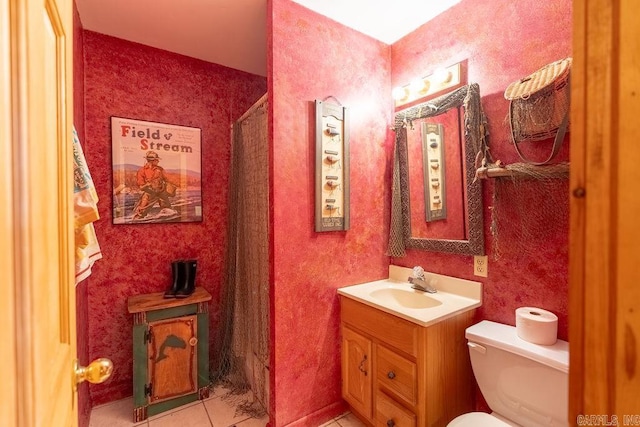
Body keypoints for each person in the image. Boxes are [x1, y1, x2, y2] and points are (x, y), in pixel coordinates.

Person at [133, 151, 177, 219]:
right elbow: (141, 187)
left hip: (162, 192)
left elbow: (167, 179)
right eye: (157, 160)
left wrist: (174, 184)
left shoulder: (160, 169)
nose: (158, 161)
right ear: (151, 161)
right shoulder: (142, 171)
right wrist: (148, 185)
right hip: (149, 193)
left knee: (169, 212)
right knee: (140, 215)